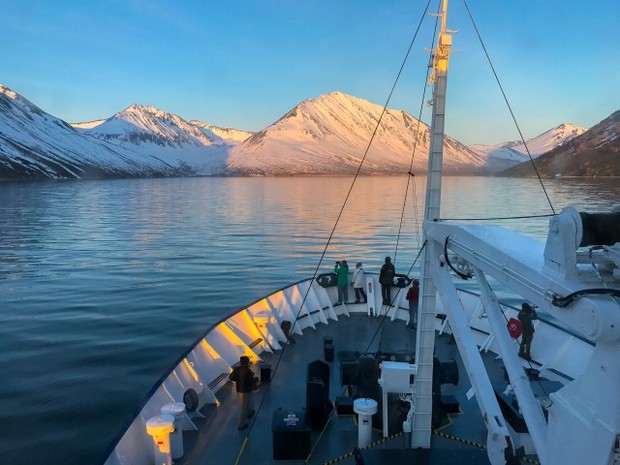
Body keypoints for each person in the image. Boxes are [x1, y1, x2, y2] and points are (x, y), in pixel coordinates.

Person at [229, 355, 259, 429]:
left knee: (245, 403)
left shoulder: (237, 369)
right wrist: (256, 379)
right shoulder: (248, 371)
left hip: (239, 390)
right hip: (246, 391)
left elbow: (231, 377)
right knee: (244, 407)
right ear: (247, 362)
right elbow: (251, 382)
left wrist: (238, 379)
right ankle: (241, 425)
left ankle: (249, 412)